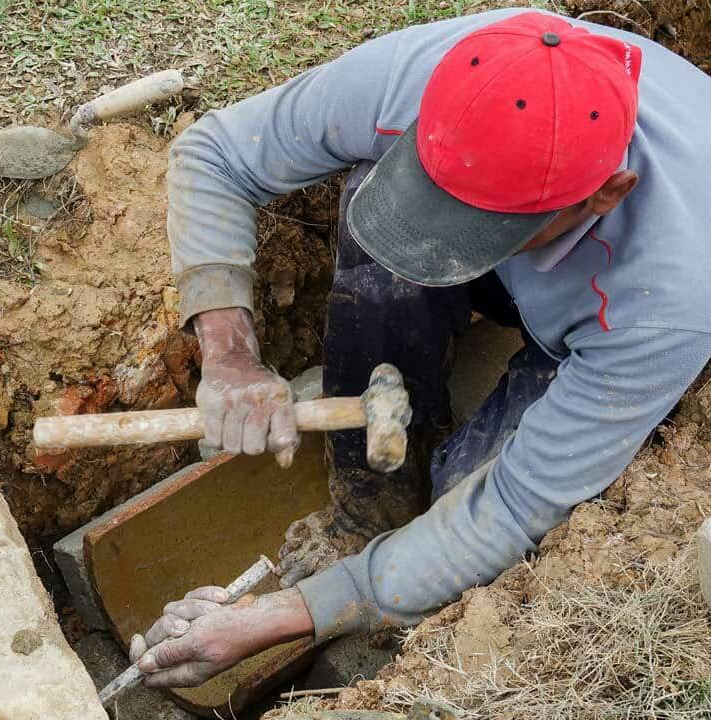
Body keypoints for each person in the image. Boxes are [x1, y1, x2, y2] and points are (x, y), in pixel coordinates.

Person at [127, 8, 711, 689]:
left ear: (605, 196)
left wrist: (291, 614)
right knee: (378, 236)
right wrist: (229, 355)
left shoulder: (666, 301)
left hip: (598, 316)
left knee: (466, 498)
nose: (440, 246)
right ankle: (367, 504)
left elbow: (511, 510)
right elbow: (214, 152)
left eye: (475, 227)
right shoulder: (444, 72)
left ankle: (418, 493)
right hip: (552, 248)